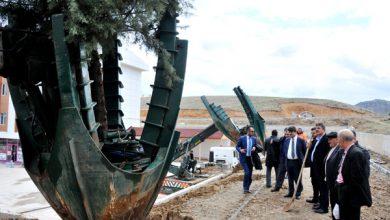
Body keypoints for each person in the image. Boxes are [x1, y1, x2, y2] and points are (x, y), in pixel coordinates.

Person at [335, 129, 372, 220]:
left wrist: (342, 188)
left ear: (342, 139)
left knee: (351, 216)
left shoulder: (356, 153)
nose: (337, 142)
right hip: (345, 194)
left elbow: (357, 179)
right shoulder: (348, 151)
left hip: (351, 197)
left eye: (338, 139)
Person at [310, 123, 331, 214]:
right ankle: (320, 203)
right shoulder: (317, 139)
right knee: (318, 186)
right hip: (315, 167)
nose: (317, 130)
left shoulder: (326, 139)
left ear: (323, 129)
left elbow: (327, 154)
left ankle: (324, 207)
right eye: (316, 128)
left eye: (319, 128)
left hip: (321, 168)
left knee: (323, 188)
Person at [281, 126, 306, 199]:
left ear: (294, 132)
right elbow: (284, 151)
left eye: (290, 133)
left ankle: (298, 193)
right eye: (288, 133)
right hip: (288, 161)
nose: (289, 135)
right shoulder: (287, 140)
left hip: (297, 162)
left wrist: (303, 161)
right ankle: (291, 192)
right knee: (290, 178)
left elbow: (304, 151)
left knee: (297, 178)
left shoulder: (300, 140)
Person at [324, 132, 342, 219]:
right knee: (333, 203)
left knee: (336, 204)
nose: (328, 141)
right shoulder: (332, 148)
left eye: (330, 139)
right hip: (330, 183)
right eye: (328, 139)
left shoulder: (339, 150)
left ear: (337, 139)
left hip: (336, 184)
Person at [236, 126, 257, 193]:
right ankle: (245, 188)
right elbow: (237, 146)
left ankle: (247, 188)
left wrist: (254, 147)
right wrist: (240, 150)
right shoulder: (242, 138)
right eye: (251, 131)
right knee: (247, 173)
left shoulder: (254, 139)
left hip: (250, 159)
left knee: (250, 175)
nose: (253, 132)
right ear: (248, 131)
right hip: (244, 158)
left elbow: (255, 145)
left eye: (253, 131)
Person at [271, 128, 290, 192]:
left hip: (290, 159)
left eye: (287, 134)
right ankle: (277, 187)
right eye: (285, 133)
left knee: (291, 175)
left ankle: (293, 190)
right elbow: (277, 145)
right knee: (280, 174)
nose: (286, 135)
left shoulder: (292, 140)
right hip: (282, 159)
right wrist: (272, 142)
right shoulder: (282, 139)